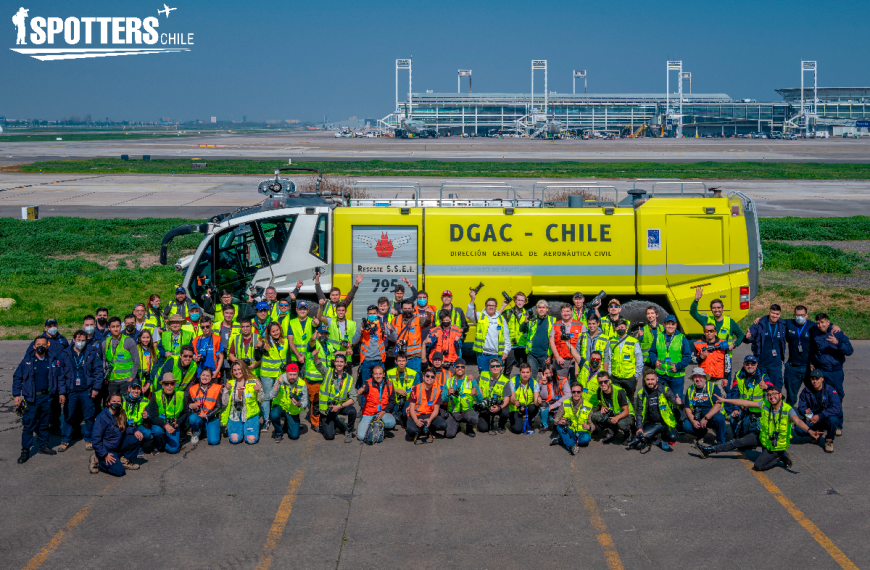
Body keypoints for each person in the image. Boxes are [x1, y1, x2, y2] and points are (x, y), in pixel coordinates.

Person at [697, 383, 819, 471]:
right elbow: (745, 402)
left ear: (780, 395)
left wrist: (809, 431)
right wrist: (725, 400)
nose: (771, 397)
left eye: (774, 394)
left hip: (775, 445)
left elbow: (797, 421)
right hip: (763, 437)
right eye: (769, 395)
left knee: (758, 466)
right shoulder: (765, 404)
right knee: (737, 442)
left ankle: (780, 456)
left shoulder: (788, 410)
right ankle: (709, 450)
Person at [14, 336, 63, 463]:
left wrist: (61, 393)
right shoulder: (27, 361)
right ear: (34, 346)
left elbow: (60, 378)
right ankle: (25, 451)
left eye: (43, 344)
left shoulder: (52, 361)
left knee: (44, 424)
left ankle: (43, 446)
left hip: (47, 397)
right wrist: (16, 395)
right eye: (38, 344)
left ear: (47, 345)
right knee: (29, 425)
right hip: (32, 398)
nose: (41, 346)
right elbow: (17, 378)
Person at [59, 330, 101, 452]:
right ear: (73, 340)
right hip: (71, 391)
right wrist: (61, 392)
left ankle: (88, 439)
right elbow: (61, 375)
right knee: (69, 416)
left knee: (88, 416)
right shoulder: (65, 353)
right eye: (78, 340)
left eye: (83, 340)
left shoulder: (91, 352)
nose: (81, 342)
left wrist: (96, 388)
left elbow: (98, 372)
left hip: (86, 390)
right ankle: (65, 440)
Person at [690, 288, 745, 383]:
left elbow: (741, 335)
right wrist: (696, 300)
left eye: (719, 307)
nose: (716, 310)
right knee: (707, 385)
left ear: (723, 308)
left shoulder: (729, 322)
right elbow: (693, 313)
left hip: (724, 358)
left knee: (725, 385)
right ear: (711, 309)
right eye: (714, 308)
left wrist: (734, 345)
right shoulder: (706, 320)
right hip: (708, 358)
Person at [809, 312, 852, 433]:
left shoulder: (837, 333)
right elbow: (814, 351)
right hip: (822, 371)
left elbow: (849, 350)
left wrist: (837, 343)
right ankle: (822, 423)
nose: (820, 325)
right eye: (818, 323)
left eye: (822, 322)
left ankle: (838, 425)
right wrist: (812, 362)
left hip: (835, 371)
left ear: (828, 322)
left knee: (836, 397)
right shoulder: (816, 333)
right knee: (821, 397)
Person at [89, 393, 143, 475]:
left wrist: (135, 431)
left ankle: (125, 460)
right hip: (107, 450)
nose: (116, 403)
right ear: (108, 403)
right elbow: (95, 440)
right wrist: (104, 454)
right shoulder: (102, 417)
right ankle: (98, 460)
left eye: (118, 401)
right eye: (114, 401)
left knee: (136, 438)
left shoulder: (121, 413)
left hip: (117, 445)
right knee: (119, 471)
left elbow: (125, 428)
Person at [630, 369, 682, 451]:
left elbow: (677, 405)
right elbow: (639, 412)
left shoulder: (665, 390)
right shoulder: (641, 393)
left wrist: (680, 403)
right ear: (645, 380)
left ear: (657, 379)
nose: (650, 382)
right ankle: (655, 436)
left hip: (665, 423)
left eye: (652, 379)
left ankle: (663, 439)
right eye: (648, 379)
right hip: (651, 424)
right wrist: (639, 427)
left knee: (673, 437)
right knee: (638, 445)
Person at [257, 322, 292, 431]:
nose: (276, 332)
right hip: (267, 374)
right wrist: (257, 348)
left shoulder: (285, 342)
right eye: (273, 331)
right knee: (267, 397)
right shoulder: (264, 343)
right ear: (269, 333)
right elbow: (257, 357)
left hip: (280, 374)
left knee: (282, 396)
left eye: (277, 330)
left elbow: (288, 357)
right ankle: (266, 420)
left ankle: (285, 419)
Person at [796, 369, 841, 453]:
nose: (815, 381)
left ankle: (829, 440)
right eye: (813, 379)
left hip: (825, 418)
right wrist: (805, 411)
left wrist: (820, 415)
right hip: (812, 419)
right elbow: (801, 407)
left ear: (822, 379)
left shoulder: (830, 390)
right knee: (798, 429)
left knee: (833, 420)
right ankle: (815, 434)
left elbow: (836, 408)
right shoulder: (806, 391)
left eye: (817, 379)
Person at [315, 353, 357, 442]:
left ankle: (348, 431)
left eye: (341, 362)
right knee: (329, 436)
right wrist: (315, 356)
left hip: (340, 406)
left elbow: (353, 398)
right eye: (337, 361)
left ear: (345, 364)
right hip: (328, 408)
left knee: (352, 411)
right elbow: (318, 365)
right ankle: (336, 421)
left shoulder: (349, 378)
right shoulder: (328, 372)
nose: (339, 364)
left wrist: (339, 407)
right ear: (334, 363)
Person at [648, 315, 692, 399]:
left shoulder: (682, 338)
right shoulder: (658, 336)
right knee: (661, 399)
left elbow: (687, 356)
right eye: (668, 324)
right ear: (664, 325)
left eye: (673, 324)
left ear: (676, 325)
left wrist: (678, 366)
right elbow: (652, 352)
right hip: (661, 376)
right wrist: (654, 361)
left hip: (676, 376)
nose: (670, 326)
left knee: (676, 401)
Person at [744, 304, 786, 390]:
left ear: (780, 314)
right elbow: (749, 337)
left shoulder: (783, 324)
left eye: (777, 314)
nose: (775, 316)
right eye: (773, 313)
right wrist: (747, 338)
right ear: (769, 312)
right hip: (761, 363)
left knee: (776, 389)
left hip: (776, 364)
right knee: (759, 388)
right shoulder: (760, 324)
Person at [467, 292, 511, 374]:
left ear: (496, 307)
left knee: (496, 378)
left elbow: (506, 337)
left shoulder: (501, 319)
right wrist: (472, 299)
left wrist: (506, 351)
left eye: (493, 305)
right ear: (485, 306)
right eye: (489, 305)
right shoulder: (480, 316)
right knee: (484, 378)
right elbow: (469, 315)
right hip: (483, 355)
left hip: (497, 355)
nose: (491, 307)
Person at [221, 361, 264, 444]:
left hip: (250, 414)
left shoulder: (253, 381)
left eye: (239, 369)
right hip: (235, 414)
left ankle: (247, 428)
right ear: (232, 372)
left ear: (244, 369)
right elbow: (224, 403)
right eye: (235, 370)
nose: (237, 372)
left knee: (251, 440)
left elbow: (261, 400)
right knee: (234, 440)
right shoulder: (230, 383)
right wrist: (226, 390)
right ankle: (241, 428)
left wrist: (260, 391)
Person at [353, 304, 396, 385]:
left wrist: (391, 330)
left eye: (374, 313)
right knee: (365, 386)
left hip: (379, 360)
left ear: (377, 314)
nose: (372, 315)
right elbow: (354, 342)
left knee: (380, 386)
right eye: (370, 314)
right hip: (366, 361)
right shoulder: (362, 326)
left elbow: (394, 339)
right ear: (367, 315)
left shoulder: (383, 326)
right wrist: (360, 332)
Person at [682, 367, 727, 445]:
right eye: (695, 377)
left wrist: (706, 418)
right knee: (686, 426)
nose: (698, 379)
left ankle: (721, 442)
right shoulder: (690, 389)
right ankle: (701, 433)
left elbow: (718, 406)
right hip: (697, 416)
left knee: (720, 418)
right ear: (693, 379)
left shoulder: (713, 387)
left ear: (704, 377)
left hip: (711, 414)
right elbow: (687, 407)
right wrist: (693, 421)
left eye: (700, 376)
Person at [728, 355, 769, 437]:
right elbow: (734, 393)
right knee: (733, 418)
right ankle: (739, 437)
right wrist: (736, 408)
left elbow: (773, 389)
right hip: (744, 410)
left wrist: (767, 387)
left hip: (758, 412)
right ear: (743, 364)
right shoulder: (738, 375)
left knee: (757, 433)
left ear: (756, 364)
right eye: (747, 364)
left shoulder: (763, 376)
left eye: (752, 364)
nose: (750, 366)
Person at [147, 373, 188, 455]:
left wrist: (178, 423)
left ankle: (166, 440)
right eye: (166, 384)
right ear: (163, 385)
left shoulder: (181, 395)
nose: (169, 386)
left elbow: (185, 412)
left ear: (174, 385)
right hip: (160, 423)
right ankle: (157, 446)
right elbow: (153, 416)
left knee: (173, 450)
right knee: (157, 431)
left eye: (172, 383)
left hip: (173, 424)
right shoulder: (156, 395)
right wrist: (165, 425)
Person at [101, 317, 140, 397]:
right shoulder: (105, 343)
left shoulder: (129, 341)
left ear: (121, 327)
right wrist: (106, 375)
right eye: (113, 327)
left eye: (117, 326)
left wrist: (131, 378)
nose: (115, 329)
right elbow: (104, 360)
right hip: (112, 381)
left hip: (126, 380)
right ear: (109, 328)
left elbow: (136, 361)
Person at [356, 365, 397, 442]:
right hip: (369, 413)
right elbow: (365, 389)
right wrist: (362, 390)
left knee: (391, 422)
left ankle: (380, 425)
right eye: (376, 374)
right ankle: (370, 424)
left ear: (384, 374)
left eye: (380, 374)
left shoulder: (389, 384)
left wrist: (383, 412)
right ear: (372, 375)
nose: (378, 376)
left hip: (382, 413)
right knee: (361, 437)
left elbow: (392, 401)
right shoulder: (368, 383)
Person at [590, 371, 634, 443]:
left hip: (627, 414)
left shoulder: (619, 391)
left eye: (605, 381)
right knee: (594, 416)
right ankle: (612, 429)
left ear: (609, 381)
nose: (603, 384)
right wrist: (602, 407)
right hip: (613, 412)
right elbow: (601, 402)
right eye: (600, 382)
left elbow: (626, 411)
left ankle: (628, 434)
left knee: (621, 424)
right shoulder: (599, 390)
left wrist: (617, 417)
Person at [406, 368, 447, 443]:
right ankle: (421, 429)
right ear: (424, 377)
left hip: (429, 415)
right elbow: (411, 409)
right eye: (427, 376)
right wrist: (416, 420)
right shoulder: (416, 388)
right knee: (411, 430)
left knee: (443, 425)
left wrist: (430, 420)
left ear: (434, 379)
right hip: (416, 414)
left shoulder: (437, 391)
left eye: (432, 377)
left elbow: (436, 410)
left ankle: (428, 429)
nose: (429, 378)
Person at [270, 363, 309, 442]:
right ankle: (278, 433)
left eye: (294, 375)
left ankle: (288, 422)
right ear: (286, 373)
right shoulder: (280, 379)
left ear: (297, 374)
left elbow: (305, 401)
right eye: (290, 374)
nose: (292, 377)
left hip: (292, 410)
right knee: (273, 415)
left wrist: (299, 404)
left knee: (294, 436)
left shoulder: (302, 384)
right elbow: (271, 395)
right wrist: (277, 383)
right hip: (280, 406)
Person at [444, 359, 483, 438]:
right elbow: (443, 400)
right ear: (454, 368)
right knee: (449, 435)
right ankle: (457, 425)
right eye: (457, 366)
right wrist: (447, 394)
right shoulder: (448, 382)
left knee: (474, 418)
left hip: (467, 411)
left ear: (465, 368)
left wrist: (476, 394)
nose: (460, 368)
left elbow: (480, 400)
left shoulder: (471, 381)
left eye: (462, 366)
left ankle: (469, 428)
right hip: (454, 412)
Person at [552, 381, 593, 454]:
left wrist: (588, 427)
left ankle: (562, 440)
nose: (576, 394)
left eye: (578, 392)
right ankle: (571, 446)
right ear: (571, 392)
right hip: (569, 430)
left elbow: (593, 426)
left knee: (587, 438)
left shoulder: (589, 405)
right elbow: (556, 418)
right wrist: (559, 421)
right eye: (574, 392)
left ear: (582, 392)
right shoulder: (565, 403)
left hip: (581, 432)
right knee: (559, 426)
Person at [186, 367, 223, 446]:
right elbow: (188, 403)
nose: (205, 377)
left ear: (211, 378)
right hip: (199, 416)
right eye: (203, 375)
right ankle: (196, 431)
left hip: (211, 417)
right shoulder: (193, 388)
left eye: (207, 376)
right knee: (192, 418)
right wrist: (190, 405)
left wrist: (207, 415)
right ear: (200, 376)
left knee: (213, 441)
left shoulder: (217, 388)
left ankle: (208, 429)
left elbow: (219, 407)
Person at [609, 319, 643, 401]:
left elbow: (639, 359)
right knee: (616, 399)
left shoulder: (634, 341)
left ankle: (631, 413)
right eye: (618, 327)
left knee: (630, 400)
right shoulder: (611, 342)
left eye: (622, 327)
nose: (620, 328)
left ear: (626, 328)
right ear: (615, 329)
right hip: (615, 377)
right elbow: (609, 358)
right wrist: (609, 373)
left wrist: (636, 375)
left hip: (629, 377)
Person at [550, 304, 584, 380]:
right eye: (563, 311)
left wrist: (578, 358)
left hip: (575, 361)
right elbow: (552, 342)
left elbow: (583, 343)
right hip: (561, 361)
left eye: (568, 311)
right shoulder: (556, 325)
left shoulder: (580, 325)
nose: (566, 313)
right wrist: (557, 357)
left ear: (572, 312)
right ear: (561, 313)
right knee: (560, 385)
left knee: (576, 385)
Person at [392, 298, 426, 376]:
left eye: (409, 308)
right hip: (399, 358)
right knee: (399, 379)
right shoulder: (395, 319)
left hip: (414, 358)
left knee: (414, 379)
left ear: (413, 309)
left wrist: (429, 315)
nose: (407, 310)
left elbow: (426, 323)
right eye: (405, 308)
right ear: (401, 309)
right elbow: (390, 336)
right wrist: (395, 341)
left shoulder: (418, 319)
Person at [477, 358, 511, 434]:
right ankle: (487, 420)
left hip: (498, 405)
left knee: (506, 412)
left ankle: (501, 425)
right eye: (493, 366)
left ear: (501, 367)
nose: (495, 368)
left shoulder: (505, 381)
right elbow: (474, 384)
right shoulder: (483, 375)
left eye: (497, 366)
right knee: (482, 428)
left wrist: (499, 408)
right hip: (486, 404)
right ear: (489, 368)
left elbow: (506, 400)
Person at [693, 323, 731, 388]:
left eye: (711, 331)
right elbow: (693, 360)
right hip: (704, 379)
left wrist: (726, 377)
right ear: (704, 332)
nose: (709, 333)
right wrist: (701, 358)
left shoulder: (723, 344)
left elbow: (727, 363)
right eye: (707, 331)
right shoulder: (698, 344)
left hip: (719, 380)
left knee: (719, 397)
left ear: (715, 332)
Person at [508, 363, 541, 434]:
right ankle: (512, 419)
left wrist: (538, 401)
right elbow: (512, 398)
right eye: (523, 372)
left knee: (534, 408)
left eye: (527, 372)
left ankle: (529, 421)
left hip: (526, 407)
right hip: (516, 408)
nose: (525, 375)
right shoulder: (513, 381)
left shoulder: (534, 383)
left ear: (530, 373)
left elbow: (535, 401)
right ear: (520, 372)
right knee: (517, 430)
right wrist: (514, 402)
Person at [503, 292, 530, 377]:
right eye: (518, 300)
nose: (520, 302)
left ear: (525, 302)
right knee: (507, 370)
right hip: (511, 346)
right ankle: (504, 388)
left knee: (524, 371)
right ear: (515, 300)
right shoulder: (507, 313)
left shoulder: (528, 314)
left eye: (522, 300)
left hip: (523, 346)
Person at [387, 353, 417, 426]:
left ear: (406, 361)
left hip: (407, 400)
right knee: (392, 418)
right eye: (399, 361)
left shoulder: (413, 373)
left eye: (403, 361)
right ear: (395, 361)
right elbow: (386, 389)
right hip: (394, 400)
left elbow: (416, 389)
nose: (401, 363)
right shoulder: (389, 373)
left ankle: (404, 416)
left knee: (406, 414)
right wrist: (397, 390)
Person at [122, 380, 151, 454]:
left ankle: (139, 446)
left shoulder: (145, 401)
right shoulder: (122, 399)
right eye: (134, 388)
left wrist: (146, 417)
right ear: (129, 389)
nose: (136, 391)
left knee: (147, 433)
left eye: (138, 389)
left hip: (138, 425)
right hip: (125, 425)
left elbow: (150, 418)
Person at [538, 365, 569, 433]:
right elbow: (544, 397)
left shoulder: (563, 380)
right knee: (543, 404)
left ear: (554, 372)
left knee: (557, 426)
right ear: (543, 374)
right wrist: (544, 384)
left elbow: (568, 395)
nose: (549, 375)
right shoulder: (541, 382)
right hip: (548, 403)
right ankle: (544, 424)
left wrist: (554, 406)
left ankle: (556, 422)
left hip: (559, 403)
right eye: (546, 373)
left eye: (551, 372)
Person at [193, 316, 224, 381]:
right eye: (203, 327)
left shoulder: (216, 339)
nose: (205, 329)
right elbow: (192, 355)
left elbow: (221, 356)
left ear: (211, 325)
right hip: (200, 373)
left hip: (213, 373)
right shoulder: (196, 340)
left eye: (207, 326)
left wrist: (217, 371)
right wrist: (195, 357)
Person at [217, 305, 239, 379]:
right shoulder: (215, 325)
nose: (228, 315)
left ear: (234, 314)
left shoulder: (238, 326)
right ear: (222, 313)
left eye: (231, 313)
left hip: (231, 360)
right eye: (226, 313)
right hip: (218, 360)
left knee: (231, 384)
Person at [135, 329, 158, 395]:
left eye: (147, 337)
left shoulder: (155, 350)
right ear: (140, 338)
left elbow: (155, 367)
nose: (145, 340)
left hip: (150, 381)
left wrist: (148, 383)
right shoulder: (136, 349)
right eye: (143, 338)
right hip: (138, 380)